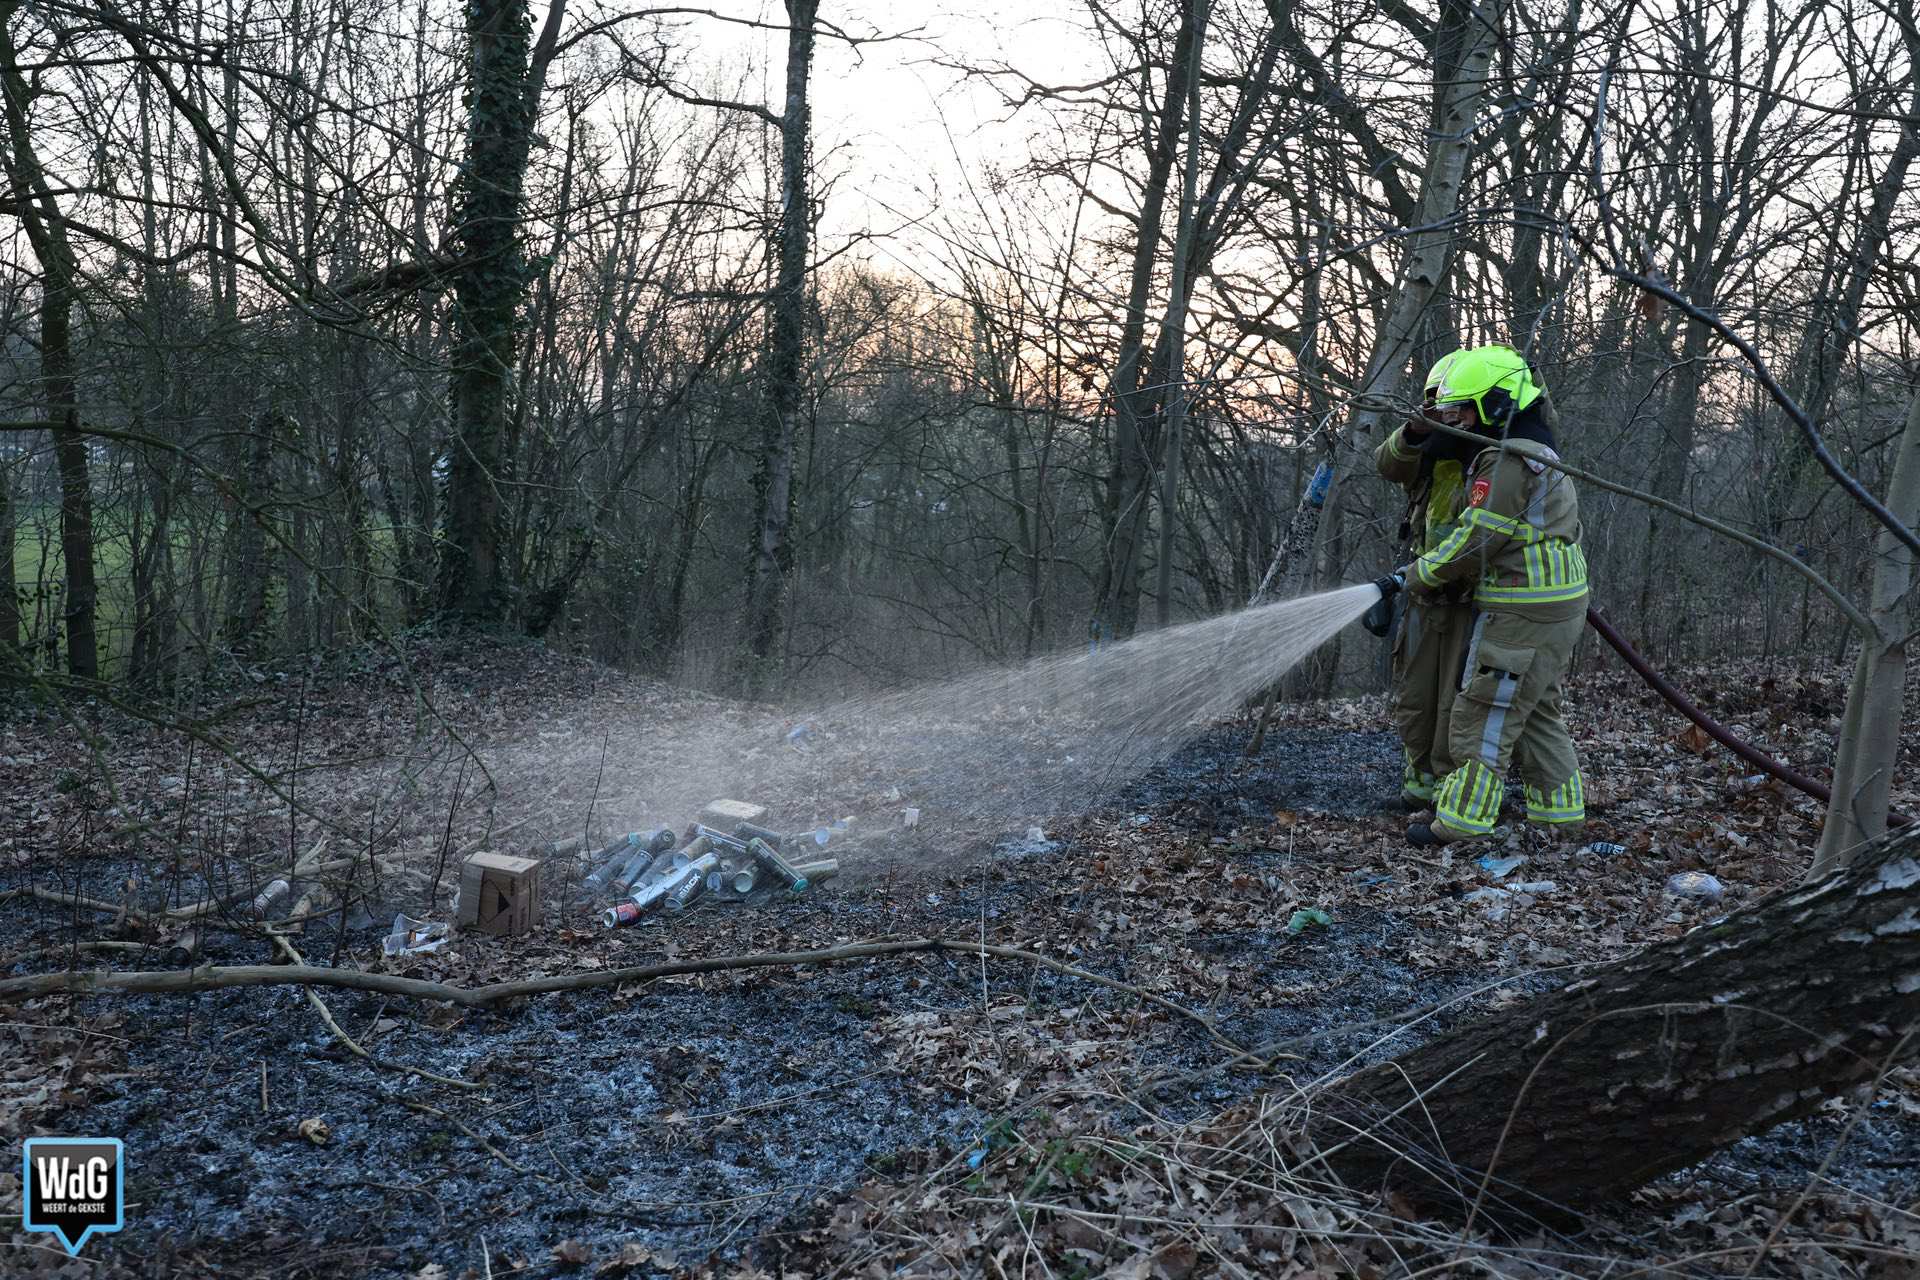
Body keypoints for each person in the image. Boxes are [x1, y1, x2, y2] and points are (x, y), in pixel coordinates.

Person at [1375, 344, 1589, 846]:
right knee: (1533, 709)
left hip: (1519, 603)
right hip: (1544, 602)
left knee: (1485, 710)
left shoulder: (1509, 458)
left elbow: (1480, 537)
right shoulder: (1512, 448)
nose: (1453, 420)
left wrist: (1412, 577)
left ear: (1496, 405)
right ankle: (1559, 814)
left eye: (1461, 410)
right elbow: (1392, 462)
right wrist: (1422, 426)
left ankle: (1462, 821)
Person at [1371, 352, 1477, 811]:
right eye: (1436, 403)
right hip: (1421, 589)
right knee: (1415, 693)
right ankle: (1419, 784)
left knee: (1455, 697)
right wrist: (1416, 429)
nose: (1445, 413)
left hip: (1469, 596)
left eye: (1452, 405)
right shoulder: (1428, 451)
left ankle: (1450, 788)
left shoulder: (1492, 456)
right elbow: (1388, 464)